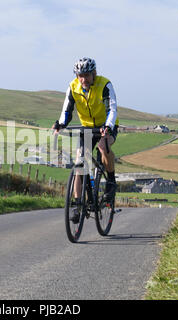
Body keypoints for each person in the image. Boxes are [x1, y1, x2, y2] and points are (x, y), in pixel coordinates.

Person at [52, 57, 119, 221]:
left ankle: (110, 182)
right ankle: (77, 204)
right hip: (87, 128)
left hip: (106, 126)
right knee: (79, 163)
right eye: (80, 75)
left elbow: (112, 108)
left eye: (87, 75)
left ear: (94, 73)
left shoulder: (104, 85)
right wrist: (60, 124)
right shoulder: (73, 87)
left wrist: (108, 127)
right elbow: (67, 110)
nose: (83, 79)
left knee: (104, 147)